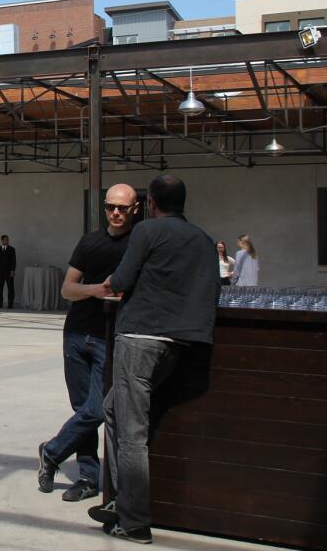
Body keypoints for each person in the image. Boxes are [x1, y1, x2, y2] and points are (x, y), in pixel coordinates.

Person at [88, 174, 219, 544]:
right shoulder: (204, 239)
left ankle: (134, 521)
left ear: (149, 204)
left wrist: (111, 284)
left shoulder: (147, 232)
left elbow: (121, 279)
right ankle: (121, 499)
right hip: (178, 345)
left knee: (132, 434)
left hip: (140, 338)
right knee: (113, 409)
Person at [37, 184, 138, 503]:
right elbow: (68, 289)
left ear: (135, 209)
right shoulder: (90, 242)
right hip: (77, 333)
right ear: (104, 209)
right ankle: (88, 477)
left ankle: (52, 451)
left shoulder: (140, 244)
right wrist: (97, 290)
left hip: (112, 336)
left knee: (96, 409)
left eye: (123, 208)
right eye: (111, 207)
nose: (116, 213)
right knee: (83, 408)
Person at [0, 235, 17, 308]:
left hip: (9, 272)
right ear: (2, 240)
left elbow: (14, 261)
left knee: (10, 288)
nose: (6, 241)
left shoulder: (12, 249)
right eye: (5, 240)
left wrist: (13, 270)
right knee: (0, 288)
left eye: (7, 240)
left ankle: (10, 304)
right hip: (0, 272)